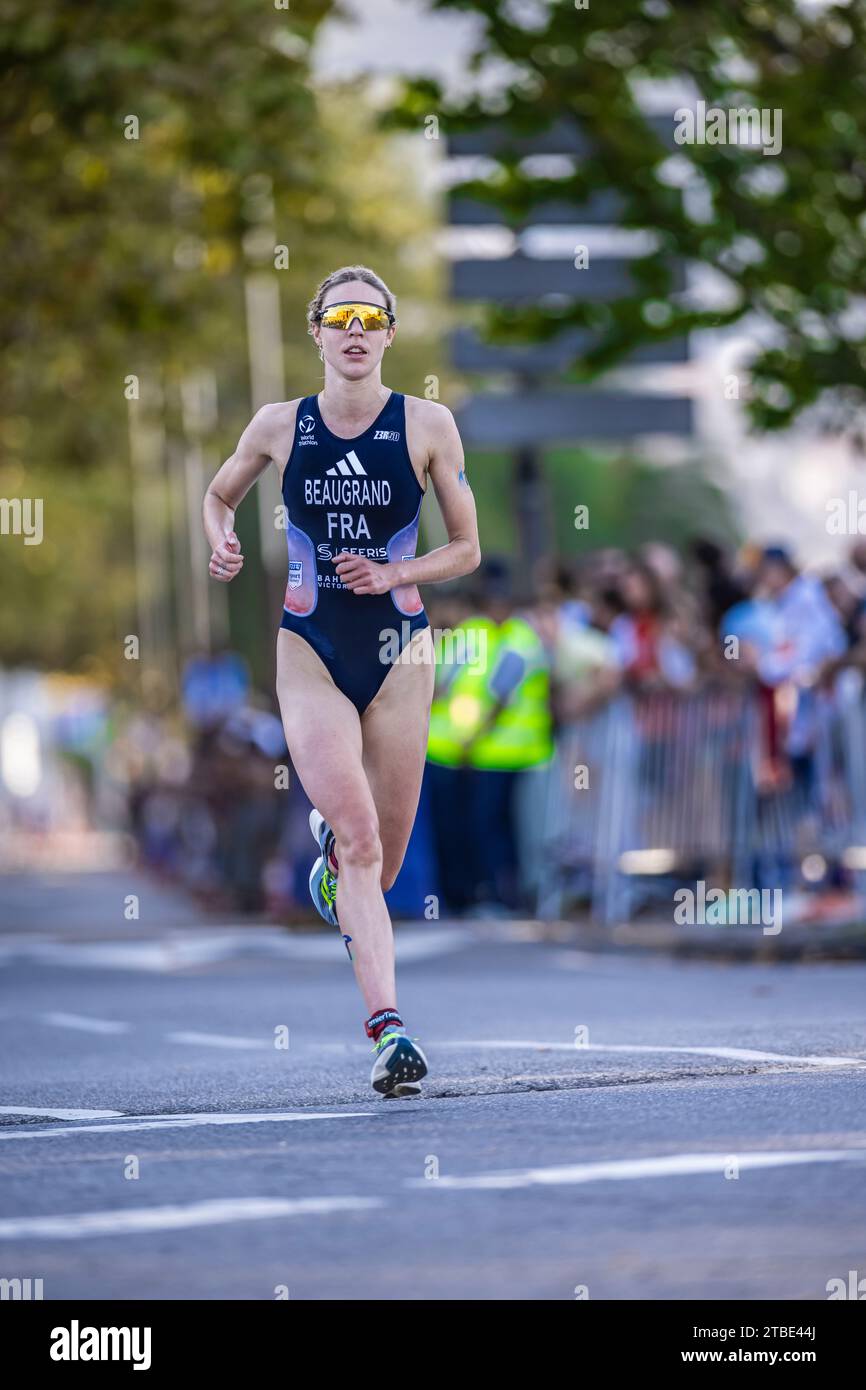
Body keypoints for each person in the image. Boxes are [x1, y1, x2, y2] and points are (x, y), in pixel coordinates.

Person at [202, 265, 480, 1096]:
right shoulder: (279, 425)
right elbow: (220, 494)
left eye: (372, 318)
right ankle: (389, 1032)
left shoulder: (428, 425)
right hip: (311, 649)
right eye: (340, 317)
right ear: (317, 332)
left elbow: (466, 548)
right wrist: (220, 540)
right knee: (359, 836)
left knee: (382, 868)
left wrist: (399, 572)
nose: (355, 331)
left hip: (402, 653)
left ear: (390, 335)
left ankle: (335, 868)